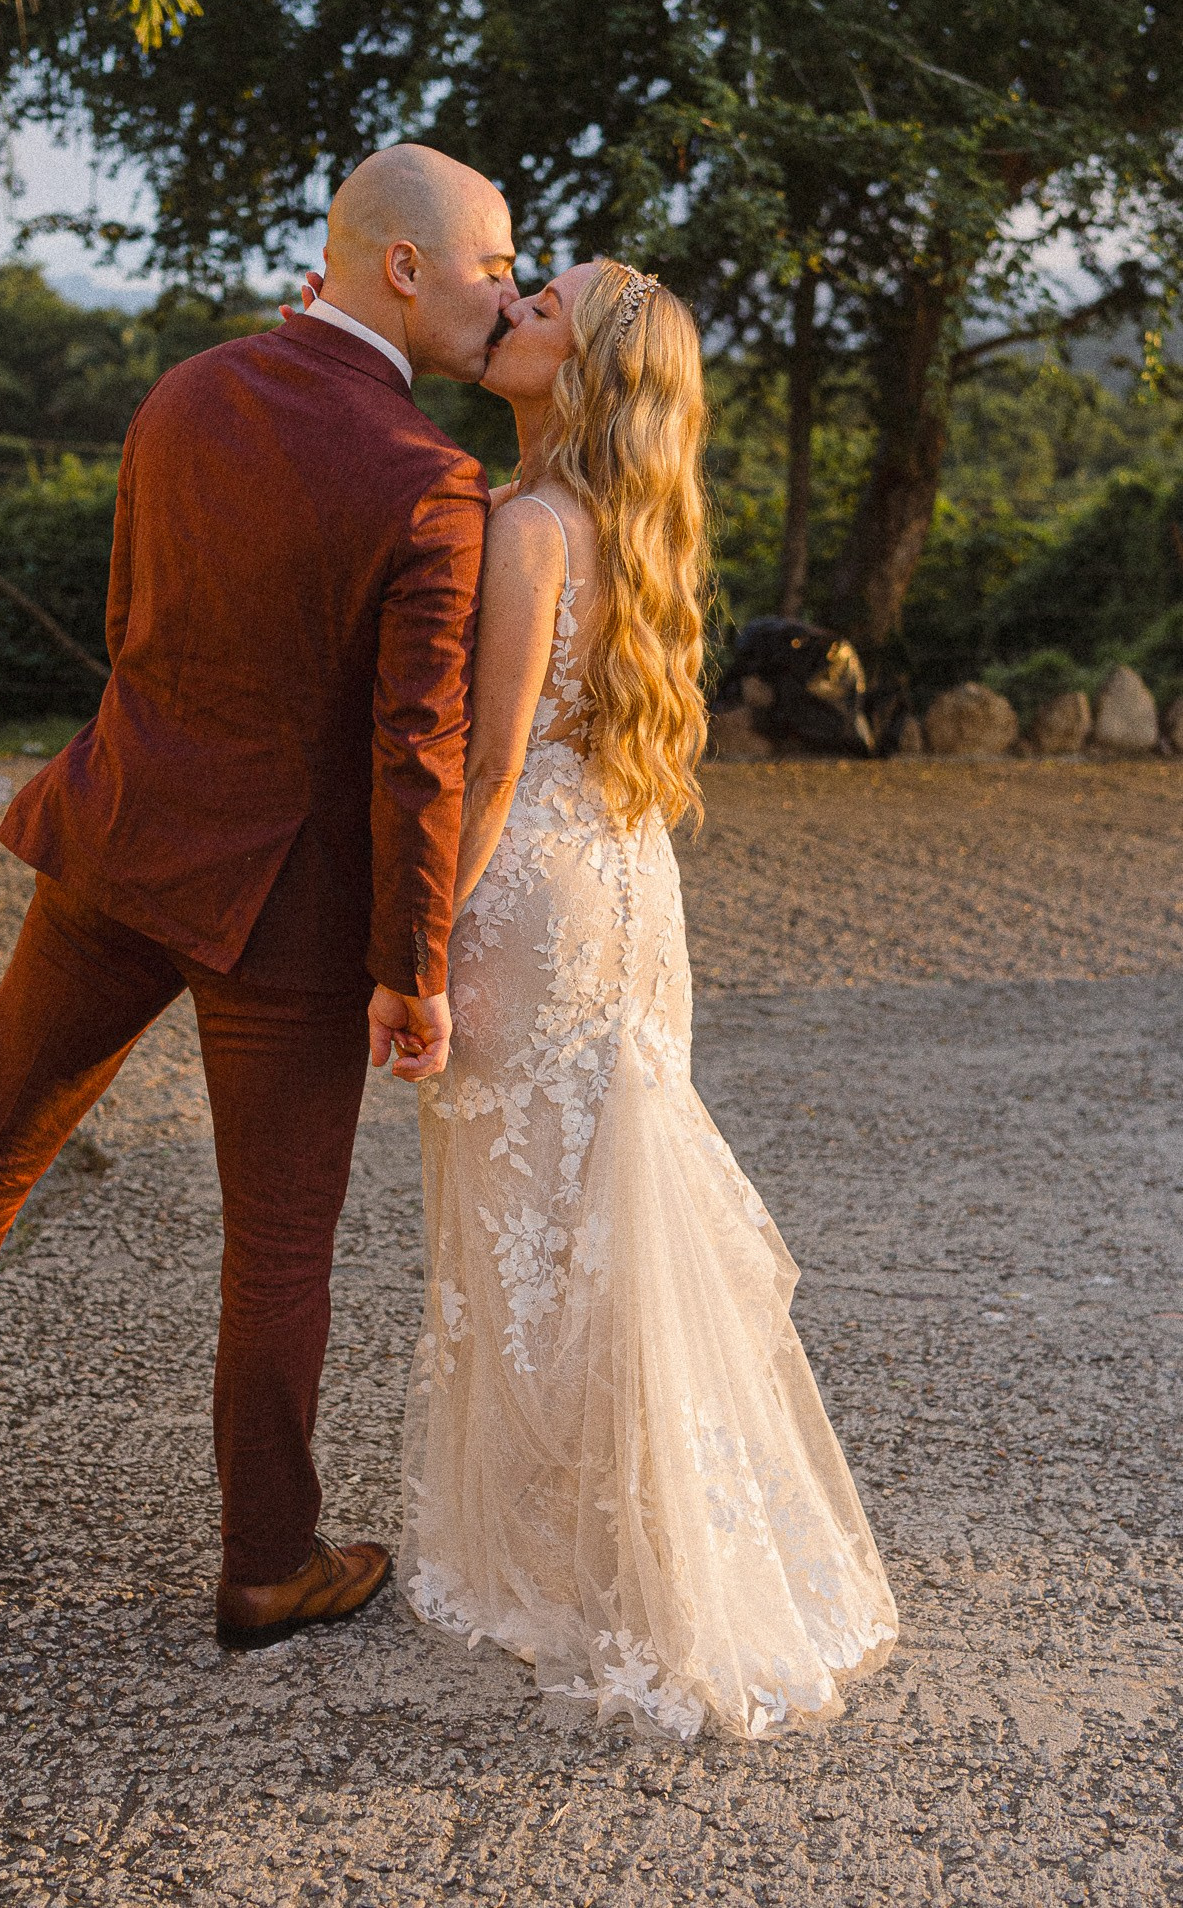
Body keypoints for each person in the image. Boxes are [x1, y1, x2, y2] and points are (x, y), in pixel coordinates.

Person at [0, 143, 518, 1655]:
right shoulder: (431, 485)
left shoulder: (187, 391)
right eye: (492, 265)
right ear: (402, 267)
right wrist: (415, 961)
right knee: (276, 1239)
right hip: (282, 913)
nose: (506, 293)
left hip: (119, 841)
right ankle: (268, 1562)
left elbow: (139, 623)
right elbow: (420, 755)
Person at [400, 259, 898, 1740]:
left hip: (533, 890)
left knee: (532, 1221)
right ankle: (644, 1545)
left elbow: (486, 766)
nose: (513, 313)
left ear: (588, 371)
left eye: (540, 305)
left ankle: (595, 1565)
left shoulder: (528, 526)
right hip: (624, 884)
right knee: (604, 1210)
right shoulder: (635, 528)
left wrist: (415, 948)